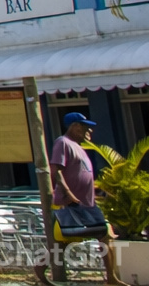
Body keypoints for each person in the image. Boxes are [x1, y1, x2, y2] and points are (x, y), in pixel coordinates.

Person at [48, 112, 121, 286]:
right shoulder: (62, 143)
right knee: (64, 241)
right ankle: (40, 268)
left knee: (103, 235)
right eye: (85, 127)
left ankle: (111, 279)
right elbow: (56, 170)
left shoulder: (79, 146)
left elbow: (81, 174)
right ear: (75, 127)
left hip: (86, 203)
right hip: (70, 203)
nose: (89, 131)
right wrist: (68, 193)